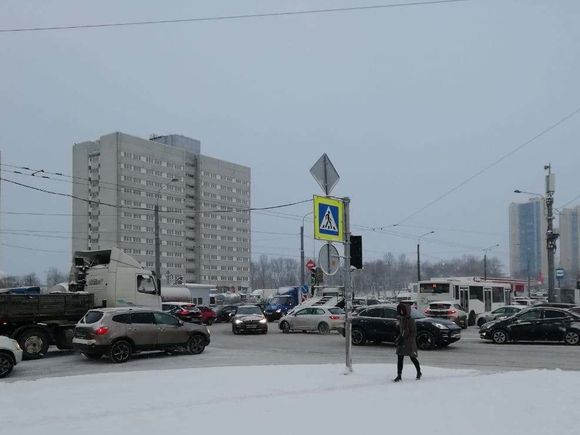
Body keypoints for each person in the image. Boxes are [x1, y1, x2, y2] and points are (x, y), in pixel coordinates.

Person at [393, 302, 422, 382]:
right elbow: (400, 330)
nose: (401, 312)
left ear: (406, 310)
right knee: (400, 358)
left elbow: (414, 332)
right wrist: (398, 334)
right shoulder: (400, 319)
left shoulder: (411, 320)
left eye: (403, 310)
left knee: (413, 358)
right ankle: (399, 375)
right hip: (402, 341)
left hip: (409, 342)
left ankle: (419, 372)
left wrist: (406, 338)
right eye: (400, 310)